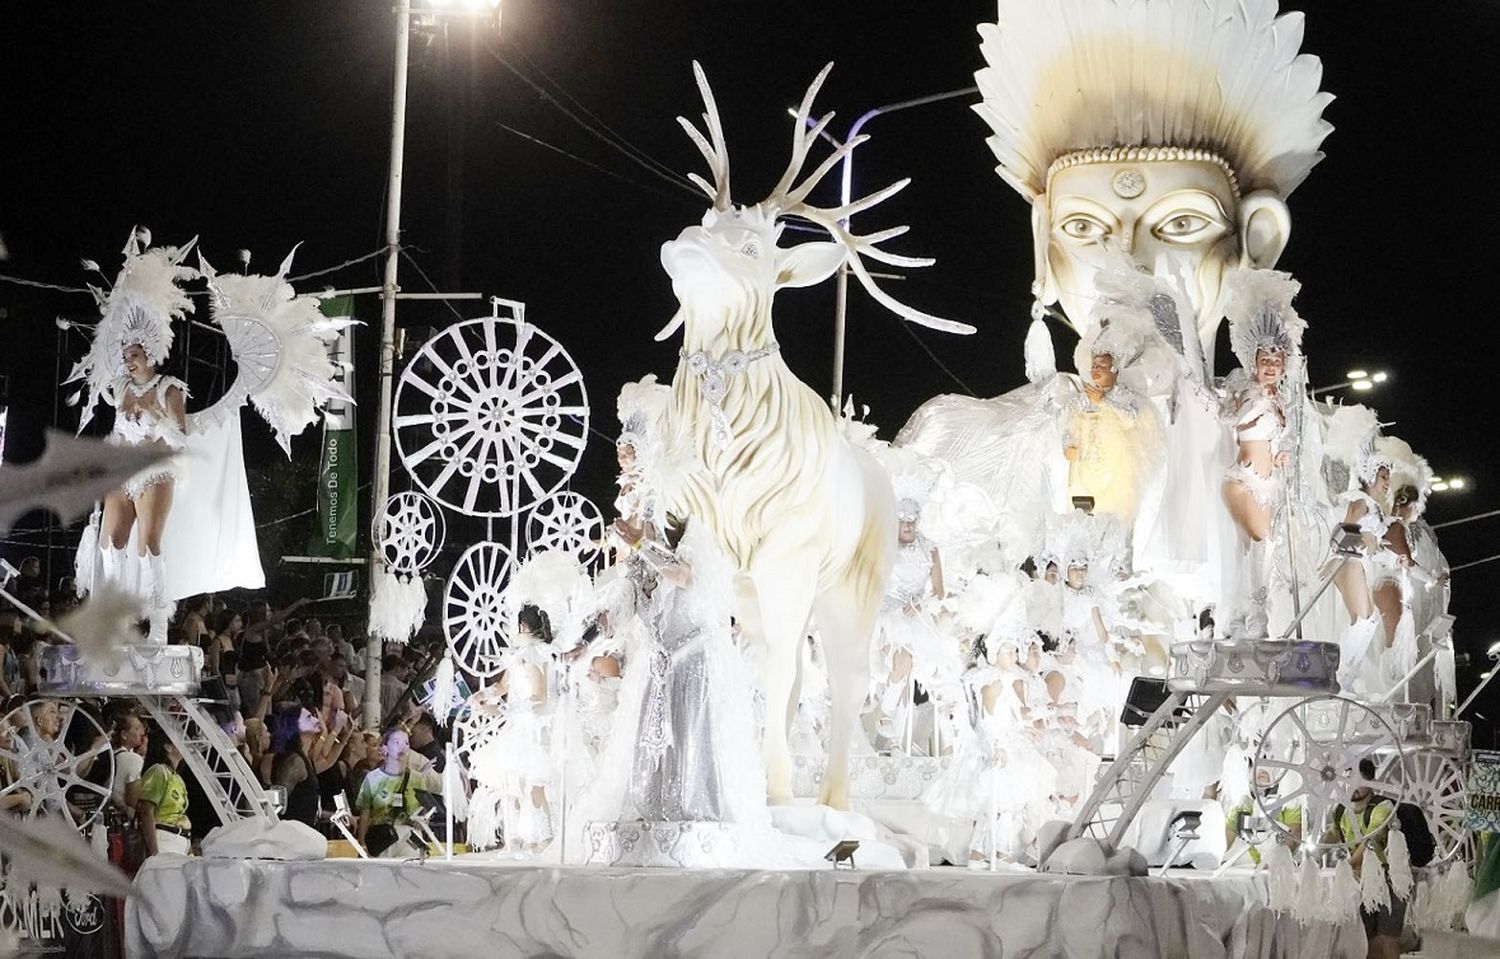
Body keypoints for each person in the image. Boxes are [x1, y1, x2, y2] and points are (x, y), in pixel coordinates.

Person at [1219, 270, 1304, 639]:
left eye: (1276, 361)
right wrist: (1249, 401)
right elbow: (1229, 420)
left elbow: (1272, 437)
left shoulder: (1280, 399)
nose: (1270, 366)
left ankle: (1236, 622)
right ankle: (1257, 622)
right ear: (1253, 362)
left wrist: (1280, 455)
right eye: (1264, 360)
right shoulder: (1245, 390)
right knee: (1261, 545)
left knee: (1249, 555)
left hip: (1269, 485)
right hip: (1243, 481)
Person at [355, 727, 429, 857]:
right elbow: (365, 814)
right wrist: (361, 845)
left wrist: (422, 821)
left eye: (406, 743)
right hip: (382, 838)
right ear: (385, 748)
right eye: (396, 742)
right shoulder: (373, 778)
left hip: (409, 838)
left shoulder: (417, 779)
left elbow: (424, 810)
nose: (402, 747)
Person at [137, 727, 192, 857]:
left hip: (181, 841)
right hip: (164, 839)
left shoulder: (177, 778)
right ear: (168, 746)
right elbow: (146, 811)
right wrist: (154, 852)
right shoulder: (159, 772)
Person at [111, 711, 148, 815]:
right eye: (137, 729)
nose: (142, 733)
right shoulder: (133, 759)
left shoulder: (111, 754)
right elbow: (134, 801)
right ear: (124, 734)